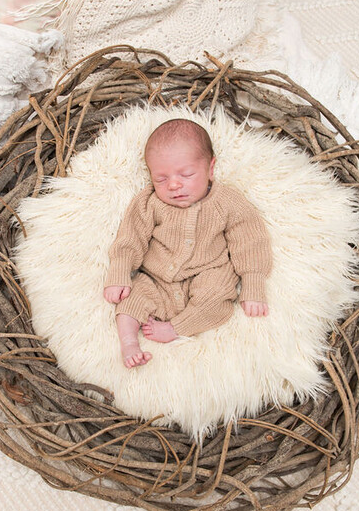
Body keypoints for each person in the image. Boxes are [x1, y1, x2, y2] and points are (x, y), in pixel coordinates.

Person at [103, 118, 272, 368]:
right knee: (131, 299)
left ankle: (177, 328)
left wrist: (253, 283)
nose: (173, 185)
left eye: (186, 174)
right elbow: (131, 237)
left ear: (210, 168)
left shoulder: (227, 202)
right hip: (157, 279)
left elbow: (249, 241)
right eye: (161, 179)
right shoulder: (149, 203)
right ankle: (129, 343)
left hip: (208, 274)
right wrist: (120, 272)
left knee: (217, 296)